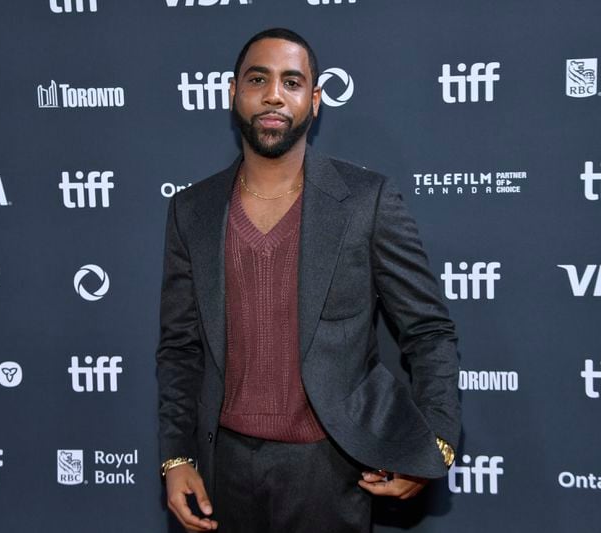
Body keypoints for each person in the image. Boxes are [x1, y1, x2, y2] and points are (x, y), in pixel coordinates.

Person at [156, 27, 460, 533]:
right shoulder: (192, 210)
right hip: (221, 473)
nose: (274, 93)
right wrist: (175, 457)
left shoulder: (368, 202)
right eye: (258, 79)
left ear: (314, 101)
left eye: (292, 82)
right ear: (233, 94)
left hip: (332, 472)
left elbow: (429, 332)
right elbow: (180, 349)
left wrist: (435, 442)